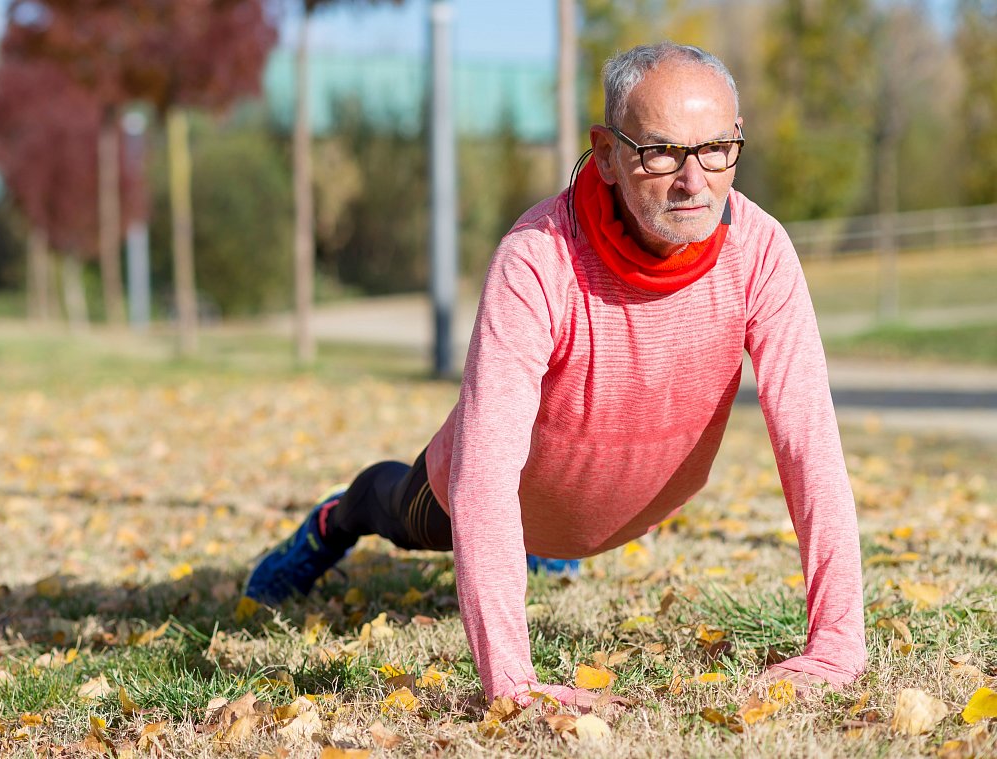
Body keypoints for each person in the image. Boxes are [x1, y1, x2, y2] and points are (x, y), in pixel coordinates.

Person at [245, 41, 866, 708]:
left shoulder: (762, 251)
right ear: (605, 154)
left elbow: (810, 444)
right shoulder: (538, 259)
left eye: (716, 148)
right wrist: (514, 684)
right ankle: (334, 521)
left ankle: (540, 551)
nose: (694, 180)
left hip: (630, 501)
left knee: (543, 533)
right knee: (393, 506)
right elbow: (484, 473)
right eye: (660, 151)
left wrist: (836, 643)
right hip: (496, 496)